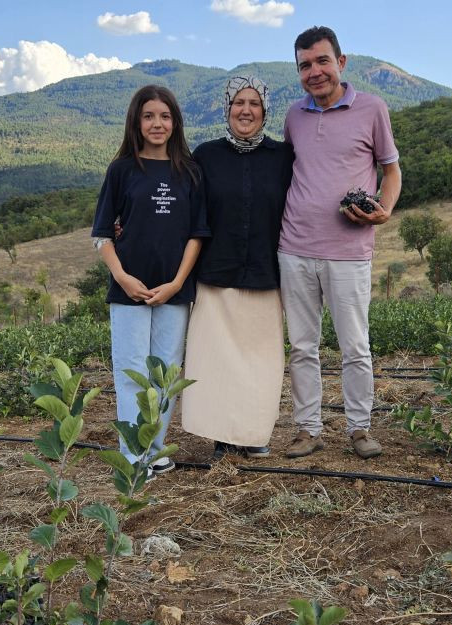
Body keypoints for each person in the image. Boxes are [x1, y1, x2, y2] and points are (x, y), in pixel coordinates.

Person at [278, 25, 402, 460]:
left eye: (322, 61)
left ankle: (359, 428)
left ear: (341, 62)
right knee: (301, 346)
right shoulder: (293, 116)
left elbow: (390, 170)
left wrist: (384, 209)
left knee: (354, 345)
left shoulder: (372, 109)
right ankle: (308, 429)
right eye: (305, 65)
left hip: (349, 251)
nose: (314, 72)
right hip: (293, 248)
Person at [91, 84, 210, 472]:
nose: (157, 124)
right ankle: (133, 453)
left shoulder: (190, 171)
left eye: (164, 116)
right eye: (148, 116)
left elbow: (197, 234)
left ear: (175, 122)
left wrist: (177, 283)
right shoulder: (122, 170)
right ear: (136, 122)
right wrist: (123, 277)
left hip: (174, 291)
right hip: (130, 290)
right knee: (131, 371)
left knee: (166, 370)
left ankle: (154, 448)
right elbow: (103, 235)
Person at [181, 76, 295, 459]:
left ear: (265, 111)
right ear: (227, 108)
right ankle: (221, 435)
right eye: (238, 103)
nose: (246, 110)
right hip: (217, 271)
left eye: (254, 104)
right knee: (217, 360)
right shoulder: (206, 155)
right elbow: (187, 210)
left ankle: (253, 432)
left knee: (260, 362)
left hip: (265, 272)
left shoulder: (283, 158)